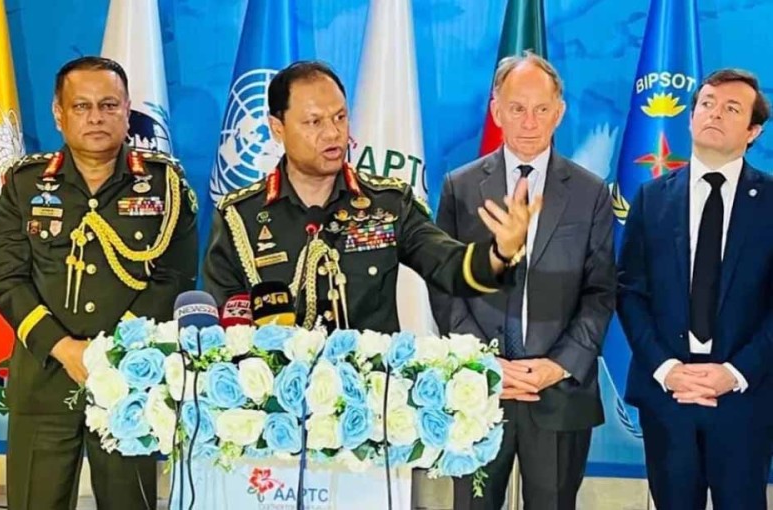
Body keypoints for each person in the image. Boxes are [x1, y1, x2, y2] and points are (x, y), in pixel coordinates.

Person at [0, 56, 198, 510]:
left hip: (129, 382)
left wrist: (110, 352)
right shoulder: (24, 185)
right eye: (81, 107)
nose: (96, 117)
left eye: (108, 105)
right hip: (44, 377)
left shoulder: (167, 186)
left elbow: (175, 279)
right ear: (58, 114)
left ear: (127, 111)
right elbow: (5, 278)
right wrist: (64, 347)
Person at [204, 59, 537, 334]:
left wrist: (500, 252)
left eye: (340, 117)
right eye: (314, 122)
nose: (333, 133)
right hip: (278, 405)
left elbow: (449, 266)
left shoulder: (388, 204)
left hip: (372, 401)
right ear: (278, 128)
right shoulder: (240, 217)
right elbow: (224, 331)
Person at [431, 52, 615, 510]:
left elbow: (601, 292)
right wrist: (484, 362)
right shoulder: (461, 186)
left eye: (541, 109)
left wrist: (558, 365)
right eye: (517, 108)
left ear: (560, 111)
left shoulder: (591, 193)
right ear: (496, 110)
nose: (529, 121)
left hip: (558, 391)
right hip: (478, 391)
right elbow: (445, 286)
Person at [618, 68, 773, 510]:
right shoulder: (650, 199)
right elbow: (630, 293)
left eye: (731, 108)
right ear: (689, 118)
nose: (714, 114)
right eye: (706, 103)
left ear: (752, 131)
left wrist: (734, 372)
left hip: (746, 398)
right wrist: (666, 368)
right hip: (669, 396)